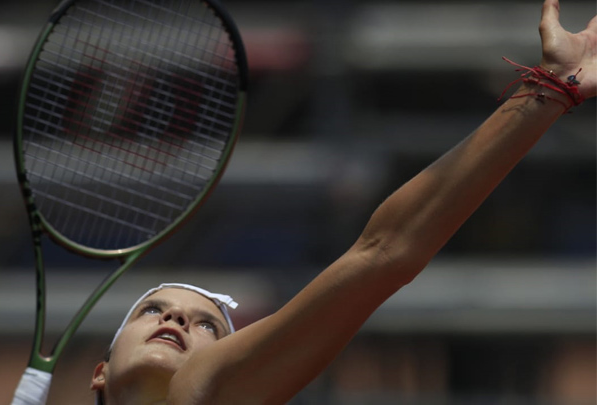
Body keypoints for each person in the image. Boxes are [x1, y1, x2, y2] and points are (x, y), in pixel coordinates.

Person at [90, 0, 596, 403]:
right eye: (152, 310)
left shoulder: (212, 393)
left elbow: (384, 252)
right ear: (100, 373)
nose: (175, 320)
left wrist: (550, 90)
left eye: (207, 326)